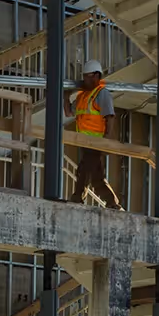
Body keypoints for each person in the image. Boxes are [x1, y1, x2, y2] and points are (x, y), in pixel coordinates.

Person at [64, 59, 123, 210]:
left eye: (88, 76)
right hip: (84, 142)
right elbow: (68, 112)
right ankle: (112, 203)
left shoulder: (102, 94)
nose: (85, 80)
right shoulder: (83, 96)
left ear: (96, 76)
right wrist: (66, 96)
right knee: (96, 176)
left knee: (84, 171)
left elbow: (109, 117)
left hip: (96, 142)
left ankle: (77, 198)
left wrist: (106, 141)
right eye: (84, 76)